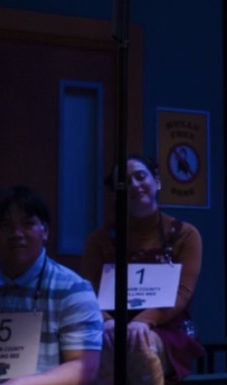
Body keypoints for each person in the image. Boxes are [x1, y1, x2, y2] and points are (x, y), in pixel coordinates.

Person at [80, 156, 205, 385]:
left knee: (140, 347)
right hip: (109, 326)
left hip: (166, 327)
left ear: (157, 181)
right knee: (103, 348)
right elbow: (87, 292)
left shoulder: (185, 234)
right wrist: (106, 321)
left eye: (140, 176)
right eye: (125, 181)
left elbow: (182, 293)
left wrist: (144, 321)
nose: (135, 185)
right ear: (116, 193)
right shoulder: (99, 240)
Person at [0, 185, 103, 385]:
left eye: (27, 224)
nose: (16, 233)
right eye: (5, 226)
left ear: (45, 231)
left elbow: (85, 367)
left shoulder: (73, 289)